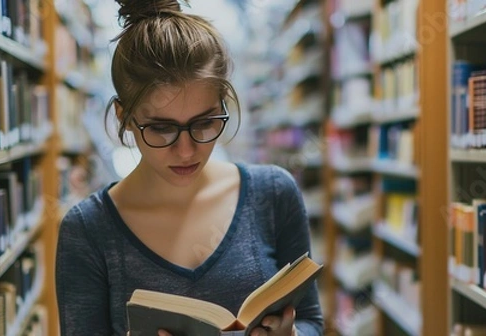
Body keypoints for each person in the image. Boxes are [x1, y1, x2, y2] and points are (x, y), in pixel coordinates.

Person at [54, 0, 324, 335]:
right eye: (162, 128)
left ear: (224, 105)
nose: (186, 151)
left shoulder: (272, 193)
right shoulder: (88, 231)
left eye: (205, 122)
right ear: (125, 117)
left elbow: (311, 319)